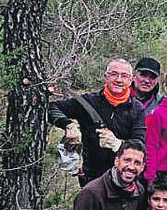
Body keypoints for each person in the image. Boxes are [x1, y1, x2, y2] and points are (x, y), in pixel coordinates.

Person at [50, 58, 147, 186]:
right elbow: (52, 108)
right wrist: (68, 125)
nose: (118, 80)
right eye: (113, 74)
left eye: (124, 76)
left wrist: (118, 144)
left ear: (131, 80)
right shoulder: (88, 102)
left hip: (123, 178)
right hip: (91, 178)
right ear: (105, 77)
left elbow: (139, 144)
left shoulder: (137, 108)